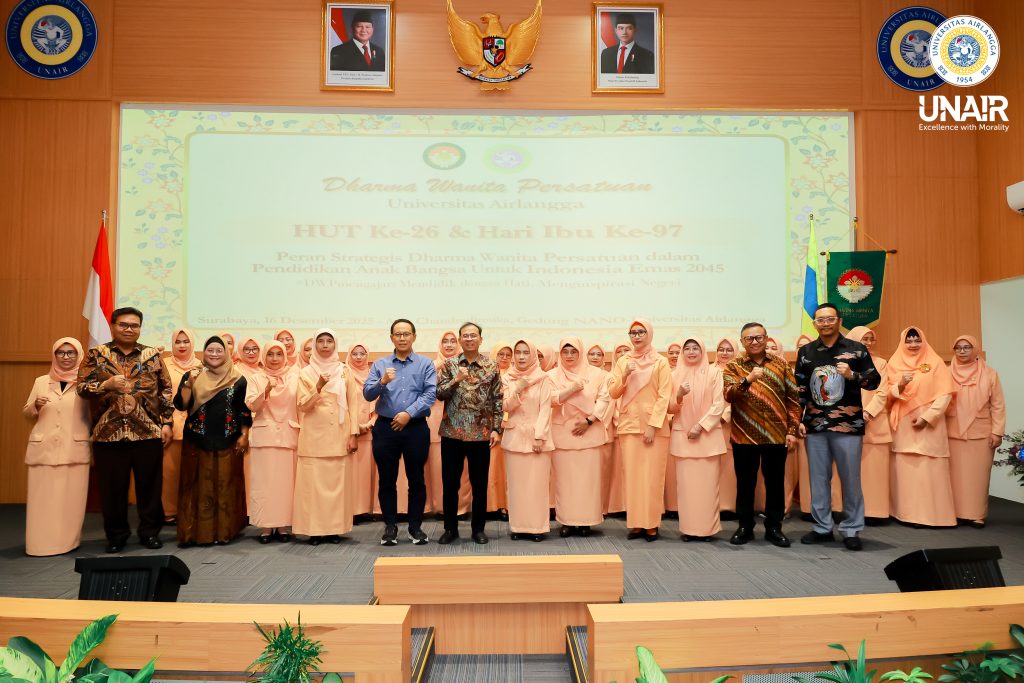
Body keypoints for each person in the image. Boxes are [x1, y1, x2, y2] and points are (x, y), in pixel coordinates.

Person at [78, 307, 174, 553]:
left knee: (150, 488)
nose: (129, 329)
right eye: (124, 324)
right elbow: (81, 388)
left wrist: (167, 422)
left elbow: (165, 390)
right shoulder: (96, 355)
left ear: (140, 328)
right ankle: (116, 536)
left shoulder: (152, 355)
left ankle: (150, 533)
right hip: (107, 434)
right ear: (113, 326)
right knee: (113, 490)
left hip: (148, 433)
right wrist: (105, 385)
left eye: (134, 325)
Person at [795, 305, 880, 551]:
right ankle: (822, 528)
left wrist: (853, 375)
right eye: (820, 320)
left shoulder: (856, 349)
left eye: (830, 319)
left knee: (850, 479)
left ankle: (851, 528)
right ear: (814, 324)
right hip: (815, 426)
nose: (825, 323)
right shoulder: (806, 352)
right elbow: (799, 389)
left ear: (838, 321)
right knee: (818, 479)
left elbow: (874, 381)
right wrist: (798, 420)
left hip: (848, 426)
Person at [722, 322, 800, 548]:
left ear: (766, 339)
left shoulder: (781, 365)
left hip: (776, 436)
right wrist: (747, 380)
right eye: (749, 339)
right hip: (744, 436)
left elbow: (793, 401)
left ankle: (774, 528)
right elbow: (729, 394)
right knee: (745, 483)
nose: (754, 342)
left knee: (775, 483)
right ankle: (745, 526)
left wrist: (792, 430)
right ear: (742, 342)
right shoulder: (734, 366)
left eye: (758, 338)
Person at [363, 319, 436, 545]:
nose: (402, 338)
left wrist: (408, 414)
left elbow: (430, 394)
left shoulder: (426, 364)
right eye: (398, 334)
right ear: (391, 337)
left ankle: (415, 528)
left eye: (406, 334)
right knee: (387, 480)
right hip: (385, 427)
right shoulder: (380, 364)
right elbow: (367, 393)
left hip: (415, 428)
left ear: (414, 336)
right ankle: (390, 527)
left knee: (417, 479)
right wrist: (382, 382)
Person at [173, 336, 251, 546]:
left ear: (226, 353)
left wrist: (244, 435)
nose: (214, 354)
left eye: (219, 350)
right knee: (196, 486)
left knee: (225, 486)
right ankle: (195, 534)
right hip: (197, 439)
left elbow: (243, 411)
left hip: (228, 439)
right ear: (204, 352)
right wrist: (188, 386)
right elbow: (181, 405)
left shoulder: (238, 379)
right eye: (210, 350)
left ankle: (224, 533)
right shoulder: (193, 375)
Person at [436, 322, 503, 544]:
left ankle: (478, 530)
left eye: (473, 335)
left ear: (480, 340)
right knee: (450, 484)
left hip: (480, 433)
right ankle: (450, 529)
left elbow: (497, 399)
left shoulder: (491, 366)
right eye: (465, 336)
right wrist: (457, 379)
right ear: (459, 340)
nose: (469, 339)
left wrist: (496, 428)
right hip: (452, 433)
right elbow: (439, 394)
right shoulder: (449, 365)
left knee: (479, 484)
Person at [23, 337, 90, 556]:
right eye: (61, 353)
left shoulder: (86, 383)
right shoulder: (41, 381)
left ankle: (68, 542)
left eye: (71, 353)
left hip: (75, 448)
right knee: (41, 501)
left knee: (71, 500)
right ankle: (39, 544)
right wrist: (35, 405)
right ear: (54, 355)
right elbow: (26, 413)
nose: (66, 357)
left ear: (79, 355)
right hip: (44, 450)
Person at [886, 326, 957, 527]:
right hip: (903, 425)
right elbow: (887, 395)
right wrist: (900, 384)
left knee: (929, 469)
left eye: (917, 340)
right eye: (909, 341)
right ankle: (904, 514)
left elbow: (945, 394)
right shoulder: (894, 363)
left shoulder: (935, 363)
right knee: (904, 470)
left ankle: (933, 517)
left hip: (928, 425)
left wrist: (928, 417)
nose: (913, 345)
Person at [608, 319, 671, 541]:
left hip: (654, 427)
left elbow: (665, 396)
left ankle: (651, 524)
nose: (636, 336)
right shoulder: (623, 361)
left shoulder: (661, 362)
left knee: (652, 478)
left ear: (649, 334)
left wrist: (653, 426)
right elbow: (613, 392)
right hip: (628, 426)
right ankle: (636, 523)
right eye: (633, 332)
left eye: (641, 332)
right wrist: (625, 375)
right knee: (633, 478)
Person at [295, 328, 359, 544]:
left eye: (329, 341)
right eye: (320, 341)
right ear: (314, 345)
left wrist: (354, 434)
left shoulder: (344, 370)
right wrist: (319, 386)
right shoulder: (305, 373)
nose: (324, 345)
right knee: (313, 487)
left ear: (335, 345)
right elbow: (303, 405)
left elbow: (353, 402)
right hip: (314, 436)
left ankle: (334, 529)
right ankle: (314, 530)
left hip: (339, 434)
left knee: (336, 486)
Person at [550, 336, 611, 537]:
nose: (569, 355)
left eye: (573, 351)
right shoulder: (551, 375)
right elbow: (551, 400)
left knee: (588, 481)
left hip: (590, 433)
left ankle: (586, 521)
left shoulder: (598, 374)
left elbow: (604, 399)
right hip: (562, 434)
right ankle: (567, 521)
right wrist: (572, 388)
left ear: (580, 352)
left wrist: (590, 420)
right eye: (565, 351)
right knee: (565, 482)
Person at [669, 337, 726, 542]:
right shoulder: (674, 374)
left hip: (707, 438)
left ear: (702, 350)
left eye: (695, 348)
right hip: (683, 438)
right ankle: (689, 529)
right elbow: (669, 407)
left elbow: (719, 404)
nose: (691, 352)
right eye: (687, 348)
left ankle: (707, 529)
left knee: (708, 489)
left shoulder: (714, 372)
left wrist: (700, 426)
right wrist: (679, 395)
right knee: (686, 489)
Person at [947, 335, 1005, 527]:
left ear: (976, 349)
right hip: (952, 431)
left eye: (967, 347)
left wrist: (997, 432)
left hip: (981, 433)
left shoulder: (990, 374)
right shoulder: (946, 372)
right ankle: (954, 512)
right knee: (955, 477)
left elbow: (998, 405)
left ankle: (976, 514)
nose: (962, 351)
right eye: (958, 348)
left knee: (978, 477)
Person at [245, 340, 299, 543]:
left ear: (285, 356)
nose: (275, 359)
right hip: (264, 437)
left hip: (288, 435)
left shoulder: (295, 377)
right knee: (264, 483)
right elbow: (252, 405)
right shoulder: (256, 377)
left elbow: (301, 403)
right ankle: (266, 526)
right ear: (264, 356)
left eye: (278, 354)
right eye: (270, 354)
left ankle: (284, 525)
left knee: (286, 484)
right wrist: (266, 389)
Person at [503, 340, 555, 541]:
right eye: (518, 352)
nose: (522, 357)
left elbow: (545, 409)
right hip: (514, 438)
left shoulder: (544, 378)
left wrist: (539, 436)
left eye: (526, 352)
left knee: (537, 486)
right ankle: (518, 527)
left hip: (537, 440)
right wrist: (518, 389)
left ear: (533, 355)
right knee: (516, 486)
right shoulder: (508, 378)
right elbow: (506, 407)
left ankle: (537, 528)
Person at [846, 326, 893, 523]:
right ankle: (849, 512)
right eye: (863, 338)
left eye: (870, 339)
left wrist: (868, 412)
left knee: (874, 472)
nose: (867, 342)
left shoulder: (881, 363)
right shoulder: (842, 362)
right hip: (846, 423)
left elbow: (883, 391)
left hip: (873, 422)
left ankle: (875, 511)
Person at [161, 328, 201, 525]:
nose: (182, 345)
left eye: (186, 341)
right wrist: (164, 422)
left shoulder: (202, 366)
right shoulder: (163, 364)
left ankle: (191, 509)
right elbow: (160, 397)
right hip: (171, 425)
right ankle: (169, 511)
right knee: (170, 473)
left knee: (195, 473)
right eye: (178, 341)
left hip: (196, 427)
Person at [427, 331, 470, 516]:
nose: (449, 345)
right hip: (436, 419)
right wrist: (438, 366)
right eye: (445, 341)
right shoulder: (431, 365)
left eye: (453, 341)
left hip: (463, 422)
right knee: (439, 469)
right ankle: (441, 508)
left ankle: (462, 508)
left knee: (464, 469)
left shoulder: (466, 365)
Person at [346, 342, 379, 521]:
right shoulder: (344, 374)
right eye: (355, 354)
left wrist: (371, 422)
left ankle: (366, 509)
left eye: (362, 353)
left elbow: (379, 401)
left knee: (367, 473)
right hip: (350, 432)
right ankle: (351, 510)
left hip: (370, 430)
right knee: (352, 472)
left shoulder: (373, 375)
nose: (359, 357)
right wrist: (355, 426)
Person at [714, 337, 739, 518]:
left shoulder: (740, 371)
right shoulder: (709, 370)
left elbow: (743, 397)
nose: (724, 353)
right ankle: (713, 504)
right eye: (721, 349)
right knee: (713, 466)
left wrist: (725, 415)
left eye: (729, 350)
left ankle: (729, 505)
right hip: (711, 425)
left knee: (730, 466)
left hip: (732, 425)